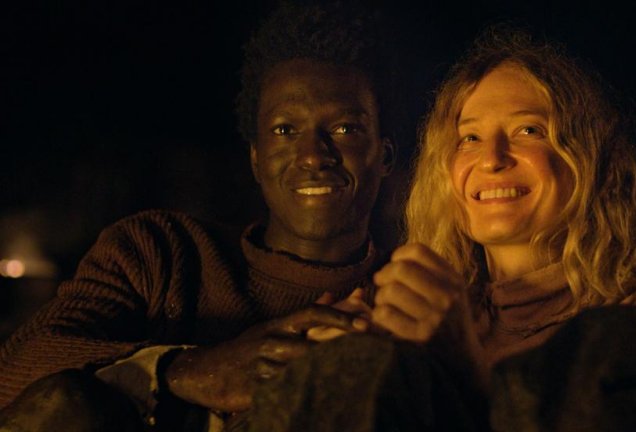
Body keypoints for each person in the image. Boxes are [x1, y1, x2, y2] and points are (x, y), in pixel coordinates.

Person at [245, 26, 636, 431]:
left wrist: (458, 368)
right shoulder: (433, 319)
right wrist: (328, 365)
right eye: (469, 138)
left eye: (529, 131)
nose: (492, 159)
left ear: (588, 158)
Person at [0, 2, 396, 431]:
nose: (313, 156)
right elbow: (16, 370)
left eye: (344, 128)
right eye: (285, 130)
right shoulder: (160, 253)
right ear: (256, 159)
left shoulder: (407, 298)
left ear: (385, 156)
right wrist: (189, 371)